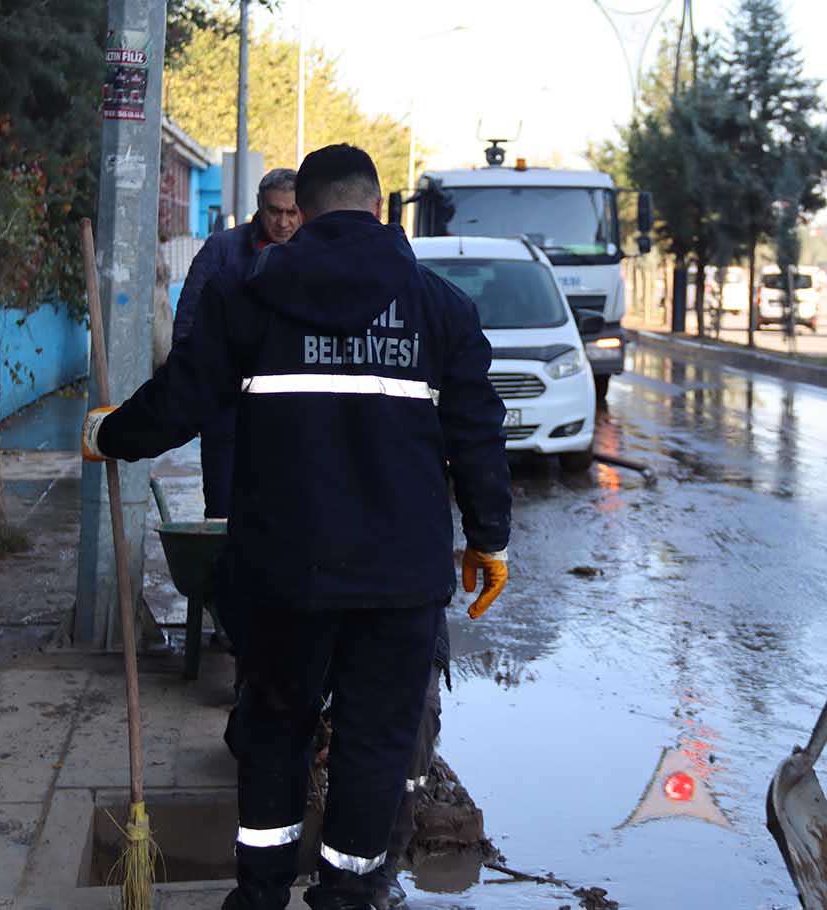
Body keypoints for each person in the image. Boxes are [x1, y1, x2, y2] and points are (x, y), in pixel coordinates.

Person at [81, 143, 512, 910]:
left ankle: (260, 895)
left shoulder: (251, 296)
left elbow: (185, 395)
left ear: (302, 214)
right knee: (375, 743)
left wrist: (112, 436)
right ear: (379, 208)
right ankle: (347, 896)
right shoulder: (441, 307)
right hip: (399, 581)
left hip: (284, 572)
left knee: (274, 728)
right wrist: (488, 538)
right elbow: (478, 433)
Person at [173, 167, 302, 520]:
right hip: (226, 414)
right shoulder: (223, 250)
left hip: (290, 419)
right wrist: (202, 397)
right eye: (275, 211)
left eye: (292, 212)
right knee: (224, 517)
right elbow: (187, 325)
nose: (283, 222)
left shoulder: (313, 259)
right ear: (260, 207)